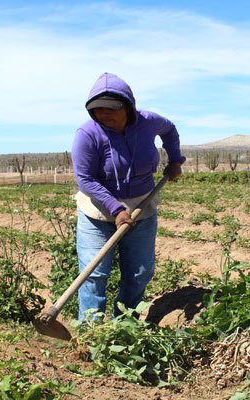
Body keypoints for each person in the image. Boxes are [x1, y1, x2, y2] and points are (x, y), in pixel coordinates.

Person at [71, 72, 185, 321]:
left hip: (142, 206)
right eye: (97, 109)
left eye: (111, 108)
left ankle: (124, 324)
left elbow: (170, 130)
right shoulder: (87, 134)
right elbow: (86, 180)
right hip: (98, 210)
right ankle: (90, 332)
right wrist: (115, 209)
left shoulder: (148, 122)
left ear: (128, 106)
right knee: (94, 274)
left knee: (139, 272)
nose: (104, 114)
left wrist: (175, 159)